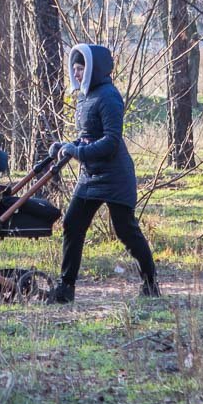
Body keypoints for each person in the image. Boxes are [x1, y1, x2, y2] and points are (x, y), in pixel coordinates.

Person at [46, 44, 159, 304]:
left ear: (93, 69)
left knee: (125, 230)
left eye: (81, 68)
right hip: (91, 175)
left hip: (115, 176)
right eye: (74, 69)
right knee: (72, 223)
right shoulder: (84, 97)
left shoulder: (108, 96)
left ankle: (151, 284)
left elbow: (111, 141)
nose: (76, 74)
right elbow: (88, 136)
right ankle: (66, 288)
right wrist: (65, 146)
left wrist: (77, 152)